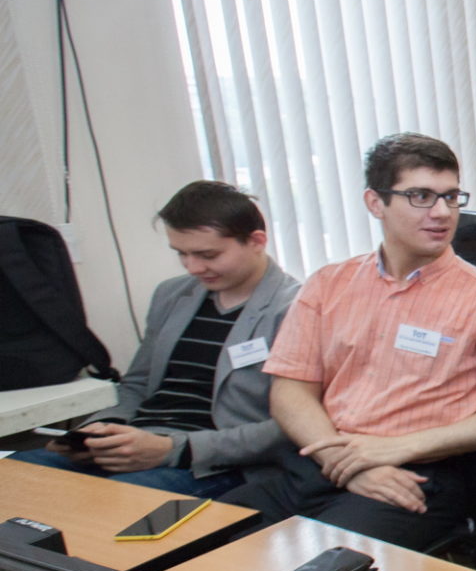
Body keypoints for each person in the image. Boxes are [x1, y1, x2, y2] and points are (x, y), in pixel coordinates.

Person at [224, 133, 476, 549]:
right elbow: (290, 390)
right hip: (320, 462)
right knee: (197, 549)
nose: (442, 212)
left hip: (415, 475)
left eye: (451, 197)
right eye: (421, 196)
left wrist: (394, 448)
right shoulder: (328, 283)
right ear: (375, 203)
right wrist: (349, 463)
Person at [17, 180, 300, 497]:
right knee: (14, 476)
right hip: (138, 439)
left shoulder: (296, 309)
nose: (193, 267)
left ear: (256, 241)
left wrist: (173, 449)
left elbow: (293, 425)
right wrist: (98, 432)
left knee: (108, 503)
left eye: (208, 254)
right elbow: (138, 383)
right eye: (182, 254)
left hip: (213, 461)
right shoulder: (172, 295)